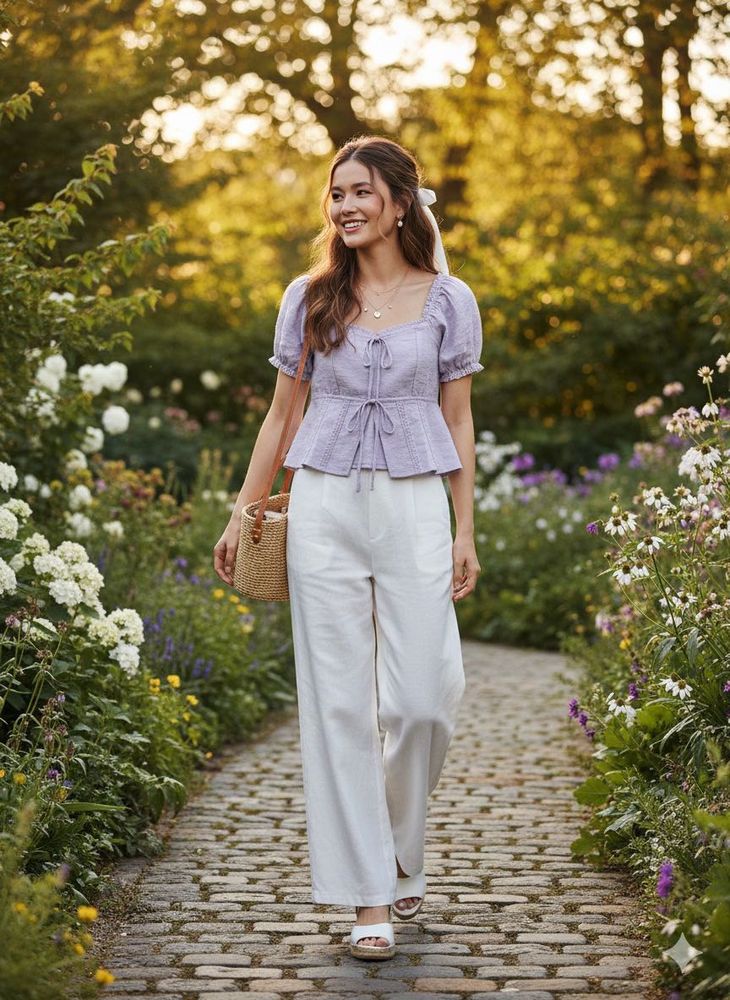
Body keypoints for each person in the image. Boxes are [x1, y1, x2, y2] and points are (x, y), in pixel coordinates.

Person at [214, 135, 483, 961]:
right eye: (337, 194)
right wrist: (242, 510)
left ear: (402, 203)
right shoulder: (310, 296)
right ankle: (369, 895)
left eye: (363, 192)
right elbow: (281, 415)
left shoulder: (448, 299)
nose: (347, 206)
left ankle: (401, 848)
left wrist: (466, 525)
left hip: (412, 507)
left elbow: (459, 417)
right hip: (323, 504)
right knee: (337, 705)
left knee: (423, 700)